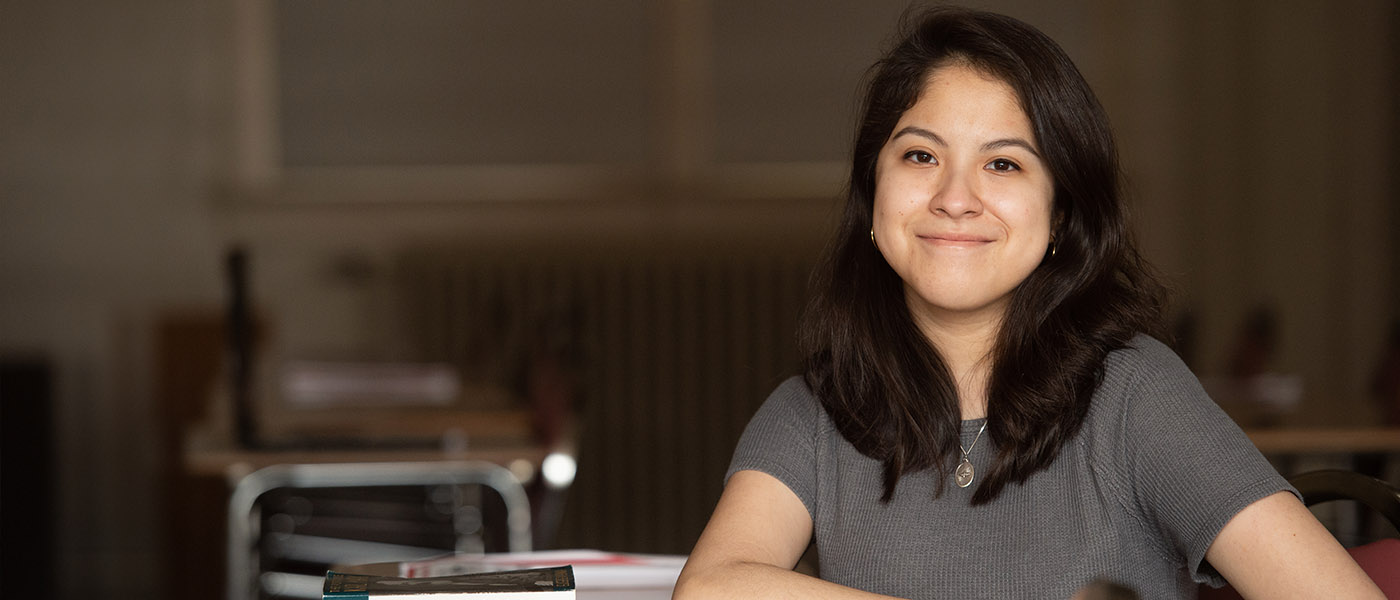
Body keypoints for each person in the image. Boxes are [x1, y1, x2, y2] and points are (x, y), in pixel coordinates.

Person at [672, 7, 1383, 600]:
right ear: (871, 196)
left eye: (1004, 163)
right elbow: (711, 588)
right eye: (920, 156)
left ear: (1061, 217)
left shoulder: (1135, 394)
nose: (955, 198)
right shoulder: (816, 410)